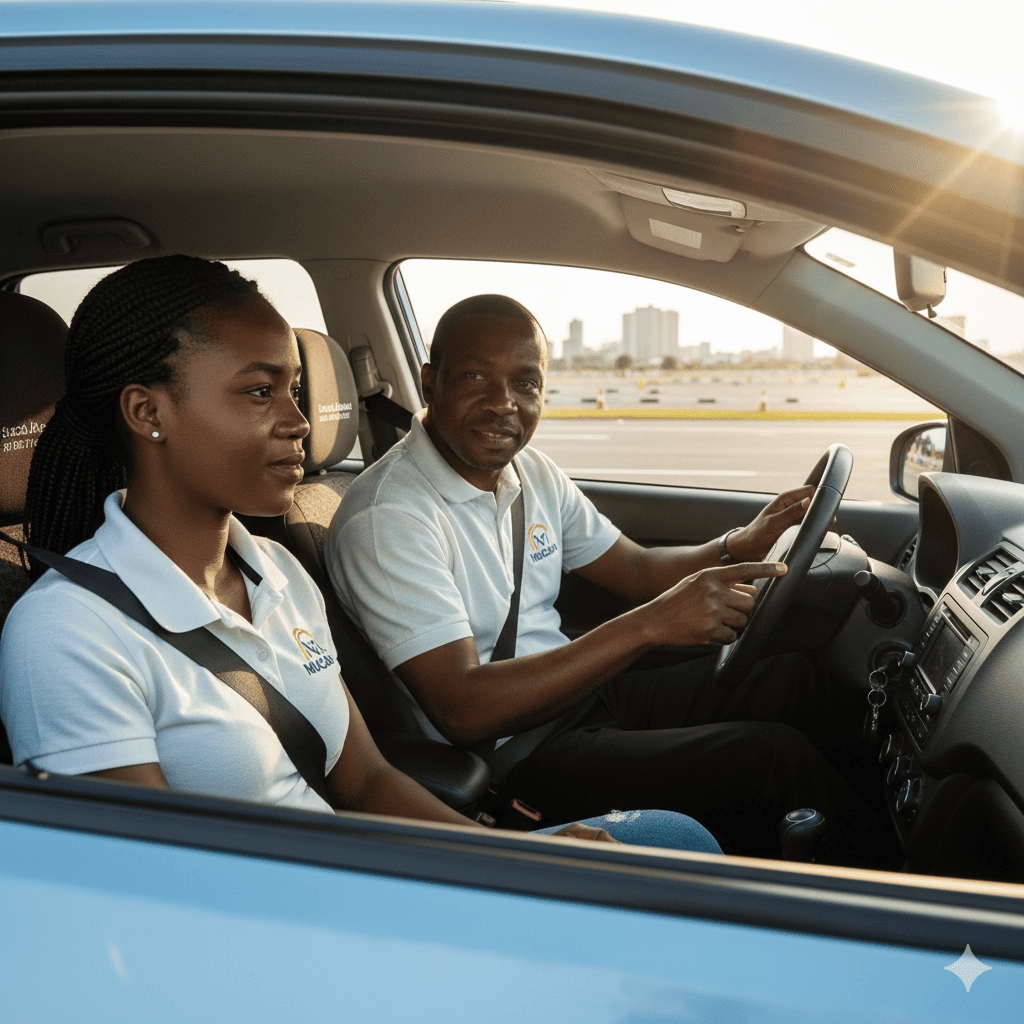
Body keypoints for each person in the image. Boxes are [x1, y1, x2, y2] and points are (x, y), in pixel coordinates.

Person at [0, 256, 721, 855]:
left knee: (675, 840)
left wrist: (517, 859)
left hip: (360, 875)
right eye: (259, 393)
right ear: (147, 412)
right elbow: (156, 897)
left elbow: (367, 781)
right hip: (292, 937)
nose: (297, 422)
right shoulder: (68, 633)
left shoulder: (277, 572)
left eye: (295, 390)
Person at [327, 293, 894, 864]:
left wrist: (736, 543)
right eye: (476, 376)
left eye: (526, 384)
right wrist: (651, 627)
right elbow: (462, 708)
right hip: (516, 760)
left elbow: (635, 568)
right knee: (773, 759)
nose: (504, 404)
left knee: (795, 680)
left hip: (582, 696)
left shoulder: (530, 472)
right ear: (430, 382)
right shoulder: (389, 518)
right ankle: (908, 902)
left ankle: (903, 838)